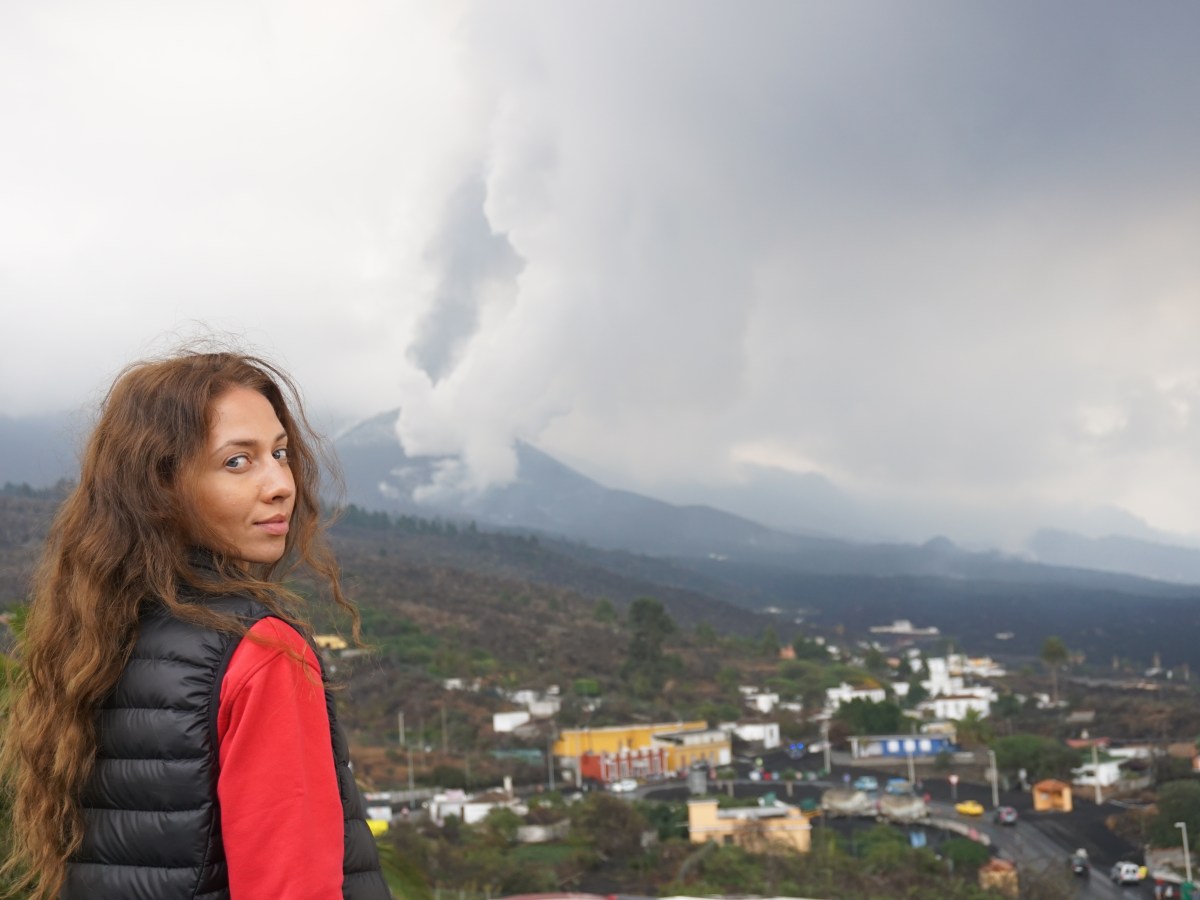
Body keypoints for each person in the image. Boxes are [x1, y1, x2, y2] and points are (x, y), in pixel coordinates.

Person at [0, 350, 392, 899]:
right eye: (238, 461)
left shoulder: (94, 637)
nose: (281, 483)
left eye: (280, 453)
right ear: (162, 486)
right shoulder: (262, 651)